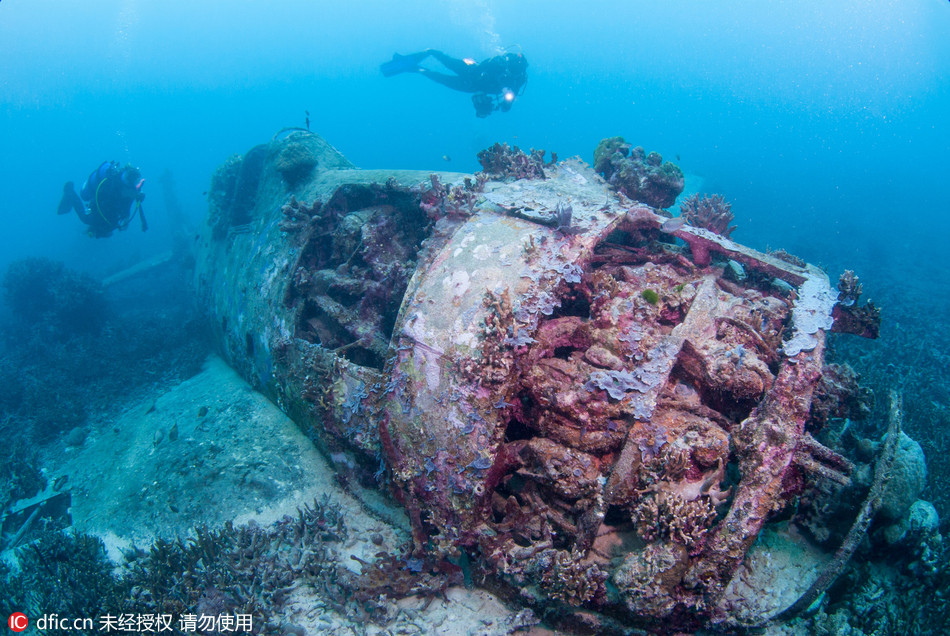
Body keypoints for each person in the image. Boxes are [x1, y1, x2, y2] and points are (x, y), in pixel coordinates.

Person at [381, 49, 528, 118]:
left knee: (436, 77)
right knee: (437, 55)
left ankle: (415, 68)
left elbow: (509, 102)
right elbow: (481, 67)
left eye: (517, 71)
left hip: (470, 86)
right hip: (470, 73)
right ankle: (408, 61)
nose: (513, 73)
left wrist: (505, 104)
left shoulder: (519, 79)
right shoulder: (499, 62)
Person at [57, 161, 147, 238]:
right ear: (127, 187)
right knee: (85, 219)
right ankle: (70, 193)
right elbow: (99, 207)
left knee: (106, 227)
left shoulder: (127, 191)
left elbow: (127, 204)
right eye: (136, 187)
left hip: (108, 209)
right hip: (99, 205)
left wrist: (126, 217)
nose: (138, 191)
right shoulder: (108, 191)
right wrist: (98, 227)